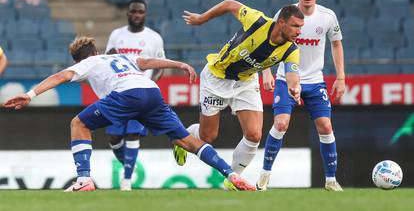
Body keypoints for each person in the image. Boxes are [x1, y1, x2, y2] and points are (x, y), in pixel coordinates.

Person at [3, 37, 256, 192]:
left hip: (127, 95)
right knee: (186, 140)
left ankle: (84, 179)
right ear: (95, 49)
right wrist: (179, 64)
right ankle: (231, 174)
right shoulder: (121, 56)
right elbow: (147, 63)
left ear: (79, 58)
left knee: (78, 123)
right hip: (152, 92)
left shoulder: (88, 62)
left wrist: (31, 94)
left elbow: (61, 76)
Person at [174, 0, 304, 191]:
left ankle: (232, 180)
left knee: (254, 135)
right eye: (295, 26)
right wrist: (202, 19)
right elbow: (229, 4)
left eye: (301, 27)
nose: (299, 31)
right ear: (281, 23)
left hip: (246, 82)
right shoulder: (257, 21)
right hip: (216, 78)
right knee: (207, 136)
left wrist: (295, 88)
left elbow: (293, 76)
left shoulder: (292, 50)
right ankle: (185, 137)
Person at [256, 0, 345, 192]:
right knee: (281, 123)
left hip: (315, 81)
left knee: (325, 126)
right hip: (286, 79)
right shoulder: (284, 14)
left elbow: (336, 44)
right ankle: (264, 176)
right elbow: (268, 42)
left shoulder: (327, 17)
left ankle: (331, 181)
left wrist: (341, 77)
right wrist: (266, 71)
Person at [105, 0, 166, 191]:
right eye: (133, 11)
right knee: (114, 138)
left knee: (133, 134)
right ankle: (128, 166)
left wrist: (149, 83)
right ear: (128, 13)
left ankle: (127, 180)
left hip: (140, 94)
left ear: (145, 14)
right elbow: (109, 58)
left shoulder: (154, 38)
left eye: (140, 12)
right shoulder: (116, 35)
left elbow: (160, 66)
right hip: (119, 92)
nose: (137, 15)